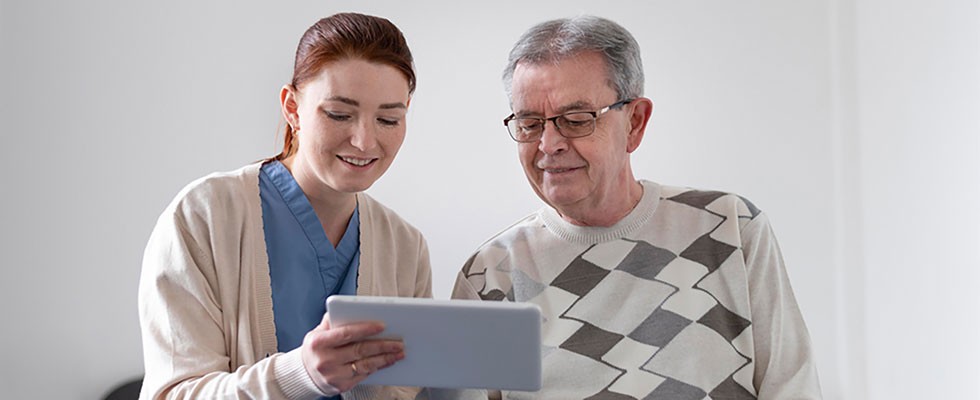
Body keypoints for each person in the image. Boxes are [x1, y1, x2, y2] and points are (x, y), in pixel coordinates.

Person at [451, 16, 823, 399]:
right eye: (530, 124)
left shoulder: (729, 228)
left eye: (576, 120)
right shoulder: (490, 276)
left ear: (635, 122)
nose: (548, 144)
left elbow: (792, 387)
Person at [138, 13, 430, 400]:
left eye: (388, 119)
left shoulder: (405, 248)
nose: (364, 140)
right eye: (339, 114)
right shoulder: (203, 216)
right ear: (292, 108)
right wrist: (301, 375)